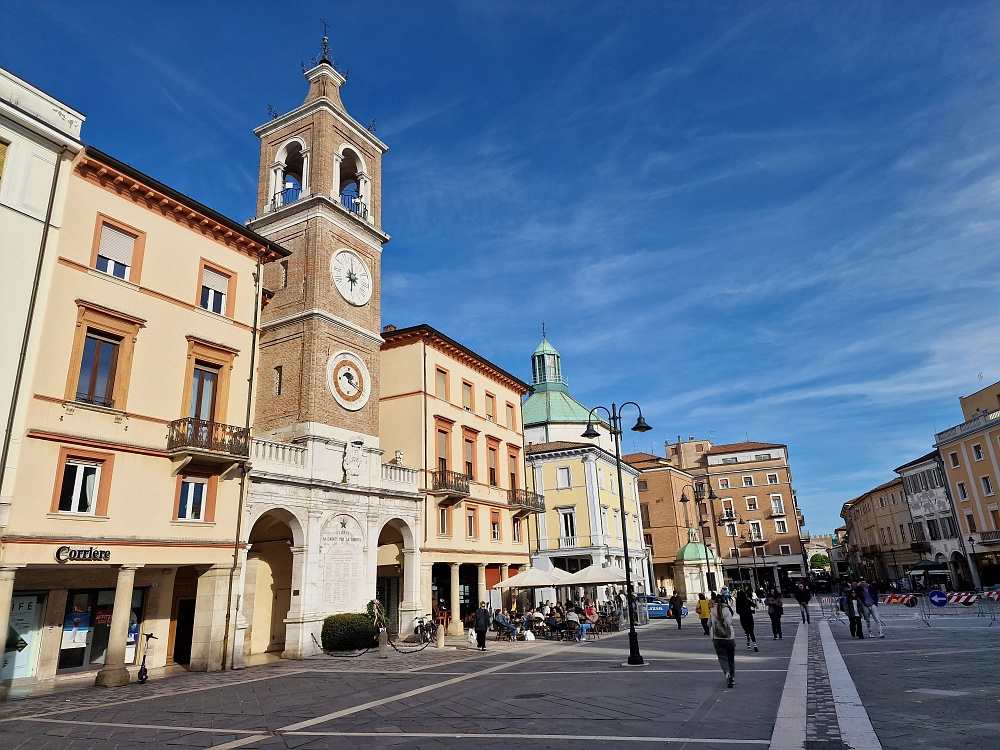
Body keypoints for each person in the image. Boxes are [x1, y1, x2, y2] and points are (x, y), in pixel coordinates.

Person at [709, 595, 737, 688]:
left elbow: (709, 624)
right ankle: (732, 678)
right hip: (729, 637)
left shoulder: (712, 611)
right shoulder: (727, 610)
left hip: (717, 638)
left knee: (722, 658)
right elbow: (730, 622)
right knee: (731, 659)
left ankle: (727, 674)